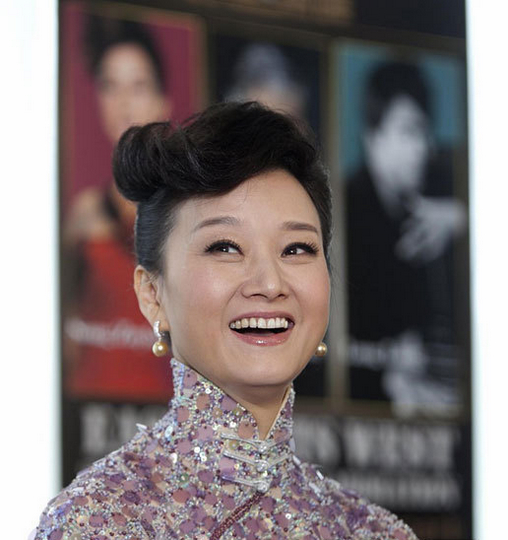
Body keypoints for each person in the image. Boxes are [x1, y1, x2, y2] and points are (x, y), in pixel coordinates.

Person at [34, 102, 418, 539]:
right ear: (152, 294)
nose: (270, 283)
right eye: (225, 247)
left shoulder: (374, 532)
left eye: (297, 249)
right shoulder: (96, 521)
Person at [63, 14, 173, 401]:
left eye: (138, 86)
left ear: (163, 101)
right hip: (88, 408)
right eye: (111, 86)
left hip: (162, 410)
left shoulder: (185, 215)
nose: (124, 103)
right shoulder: (83, 214)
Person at [346, 62, 466, 407]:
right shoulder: (345, 210)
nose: (423, 148)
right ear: (373, 138)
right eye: (409, 132)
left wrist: (461, 218)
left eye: (425, 132)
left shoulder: (443, 181)